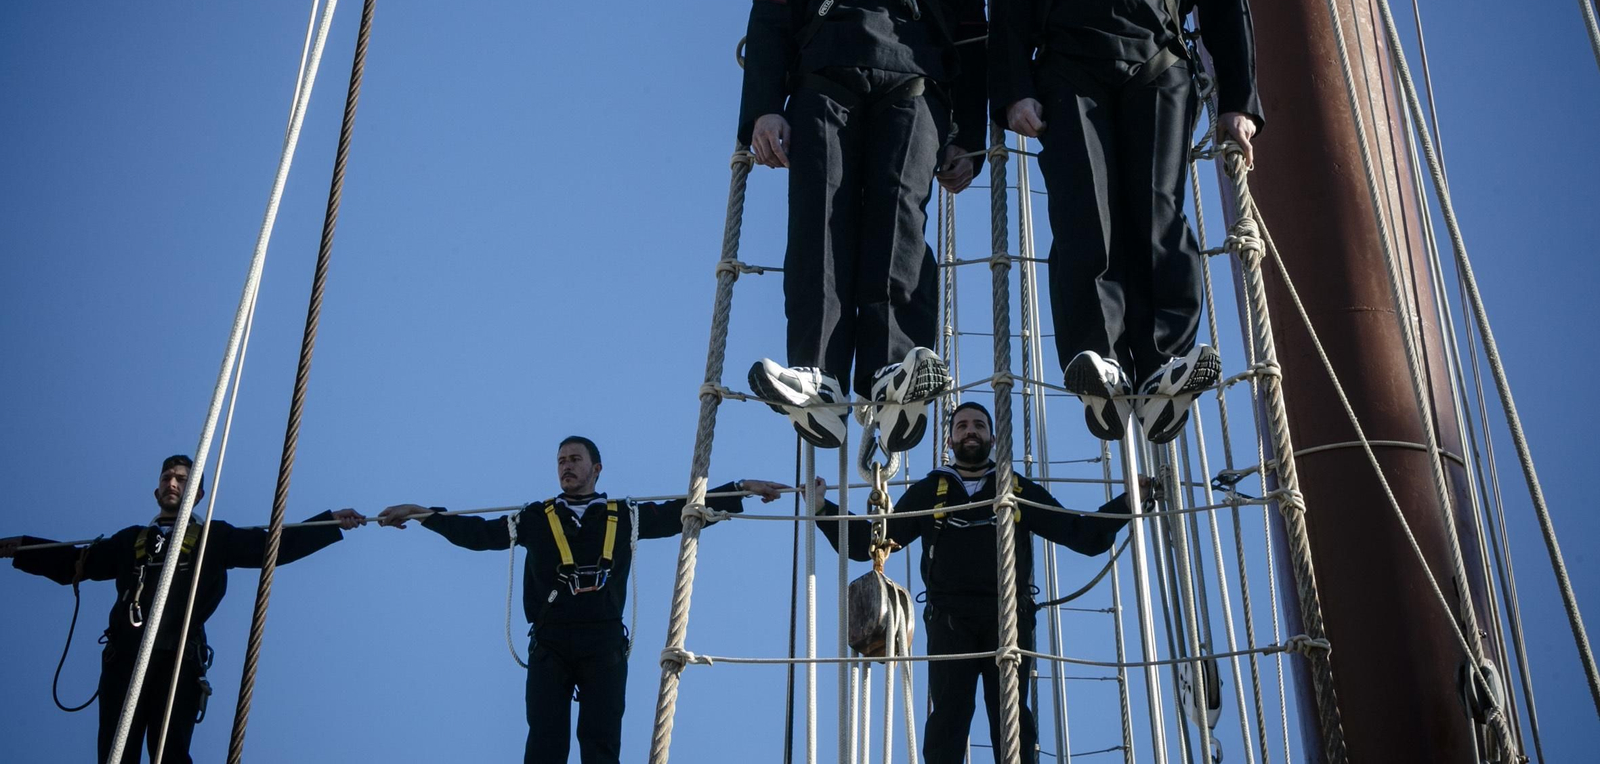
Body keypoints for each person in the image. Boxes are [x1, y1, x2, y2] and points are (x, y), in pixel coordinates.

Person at [989, 0, 1264, 444]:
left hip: (1158, 70)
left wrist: (1238, 101)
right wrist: (1015, 92)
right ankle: (1099, 359)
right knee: (1085, 213)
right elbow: (1009, 16)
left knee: (1157, 210)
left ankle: (1165, 360)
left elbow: (1226, 5)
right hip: (1068, 79)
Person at [739, 0, 989, 456]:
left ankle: (892, 373)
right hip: (824, 93)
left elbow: (974, 53)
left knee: (899, 221)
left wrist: (971, 138)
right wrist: (764, 109)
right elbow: (768, 35)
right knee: (818, 224)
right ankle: (817, 378)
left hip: (914, 94)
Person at [378, 435, 783, 764]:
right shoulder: (535, 518)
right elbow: (478, 534)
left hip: (603, 642)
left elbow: (680, 511)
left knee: (601, 742)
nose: (566, 466)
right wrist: (422, 514)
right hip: (551, 642)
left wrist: (740, 489)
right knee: (545, 742)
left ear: (596, 468)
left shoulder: (624, 515)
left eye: (575, 459)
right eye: (561, 461)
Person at [807, 402, 1135, 764]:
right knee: (948, 716)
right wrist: (822, 507)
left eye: (979, 425)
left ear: (993, 438)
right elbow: (870, 543)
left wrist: (1128, 501)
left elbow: (1081, 534)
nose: (970, 431)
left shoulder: (1015, 488)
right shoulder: (932, 490)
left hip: (1008, 616)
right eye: (962, 426)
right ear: (950, 440)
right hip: (950, 619)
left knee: (1012, 718)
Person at [0, 454, 364, 764]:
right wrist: (23, 548)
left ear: (199, 494)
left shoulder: (214, 537)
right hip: (125, 658)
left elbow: (273, 546)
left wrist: (328, 524)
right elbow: (76, 563)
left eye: (182, 479)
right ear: (157, 491)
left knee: (170, 755)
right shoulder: (130, 541)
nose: (172, 483)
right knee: (115, 754)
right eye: (166, 478)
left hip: (179, 659)